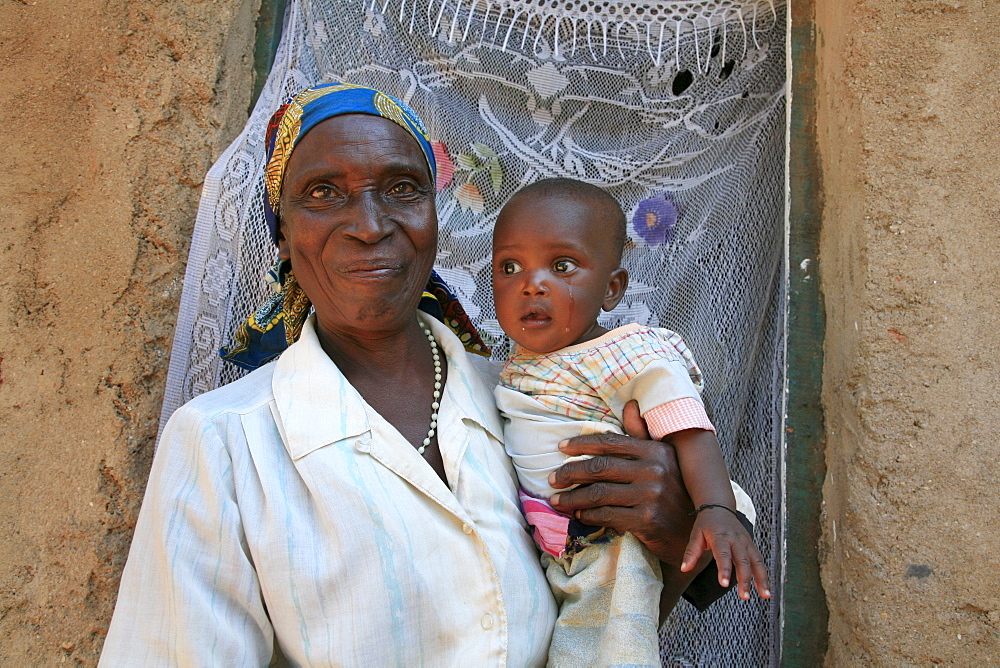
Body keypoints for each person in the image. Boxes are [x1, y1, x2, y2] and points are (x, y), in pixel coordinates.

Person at [100, 83, 752, 666]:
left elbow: (714, 569)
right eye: (323, 193)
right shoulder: (225, 446)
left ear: (434, 222)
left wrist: (676, 522)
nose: (370, 225)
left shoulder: (536, 396)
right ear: (283, 234)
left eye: (402, 188)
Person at [492, 179, 770, 666]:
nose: (531, 284)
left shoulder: (627, 352)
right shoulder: (517, 363)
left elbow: (687, 424)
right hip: (560, 548)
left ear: (612, 288)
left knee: (610, 647)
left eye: (562, 266)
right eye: (509, 267)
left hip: (611, 542)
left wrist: (715, 508)